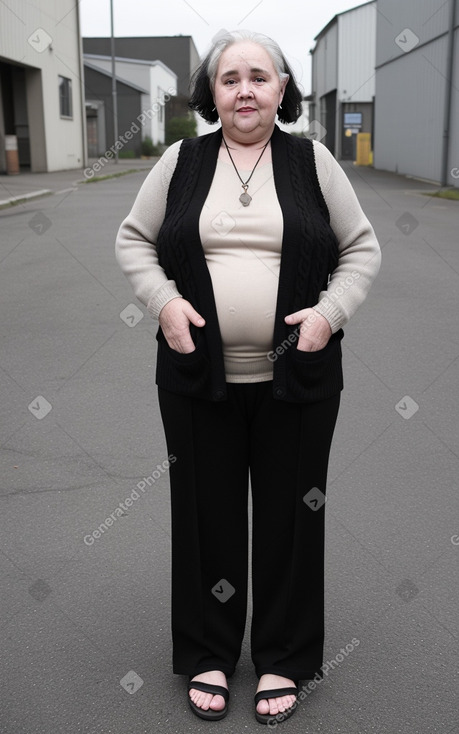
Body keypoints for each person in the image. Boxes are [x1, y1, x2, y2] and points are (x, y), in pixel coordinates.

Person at [115, 29, 381, 726]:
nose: (243, 89)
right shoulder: (181, 160)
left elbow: (360, 249)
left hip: (299, 377)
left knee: (293, 517)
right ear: (212, 93)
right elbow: (133, 239)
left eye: (258, 76)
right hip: (196, 377)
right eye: (229, 78)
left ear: (282, 89)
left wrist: (325, 316)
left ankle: (283, 659)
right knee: (206, 515)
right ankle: (207, 649)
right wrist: (166, 304)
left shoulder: (310, 161)